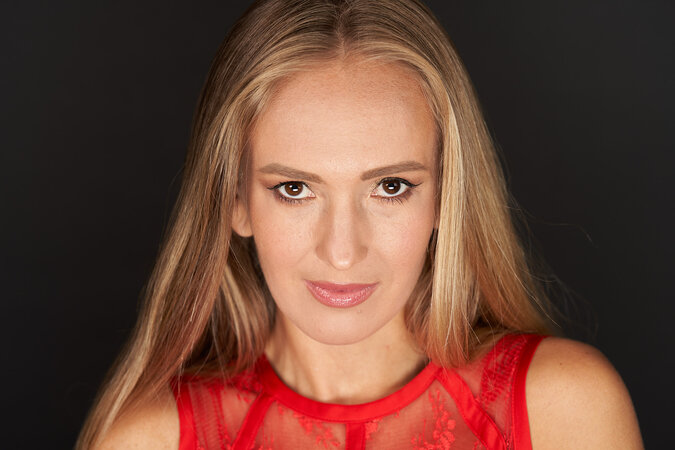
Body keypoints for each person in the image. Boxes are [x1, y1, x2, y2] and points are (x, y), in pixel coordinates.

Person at [78, 0, 643, 448]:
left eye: (391, 186)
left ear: (447, 196)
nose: (343, 252)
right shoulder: (149, 440)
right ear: (236, 201)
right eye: (294, 189)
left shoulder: (562, 410)